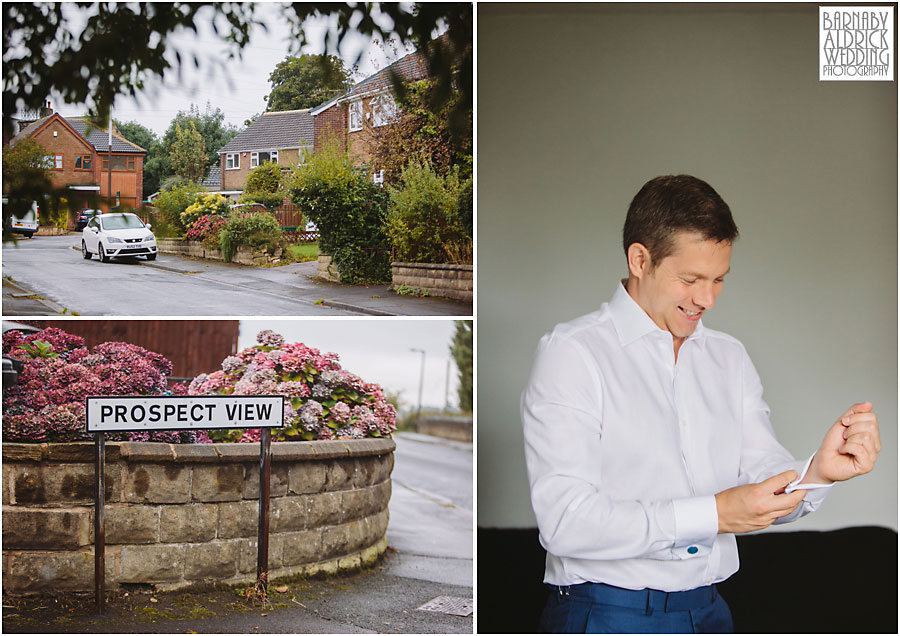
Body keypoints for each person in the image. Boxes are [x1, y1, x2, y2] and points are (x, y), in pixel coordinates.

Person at [521, 175, 881, 634]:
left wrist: (818, 473)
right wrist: (713, 514)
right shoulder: (572, 352)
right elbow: (565, 522)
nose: (706, 299)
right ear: (639, 259)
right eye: (690, 279)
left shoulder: (729, 358)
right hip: (605, 613)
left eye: (717, 281)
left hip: (710, 612)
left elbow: (758, 484)